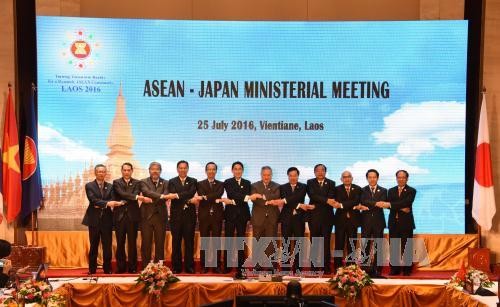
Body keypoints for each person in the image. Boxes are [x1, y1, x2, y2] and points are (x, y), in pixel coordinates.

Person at [113, 162, 152, 273]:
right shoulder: (116, 182)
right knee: (120, 243)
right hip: (119, 217)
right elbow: (121, 194)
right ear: (121, 171)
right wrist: (137, 197)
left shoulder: (137, 182)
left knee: (132, 243)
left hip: (132, 217)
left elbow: (126, 195)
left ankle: (132, 267)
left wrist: (132, 196)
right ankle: (120, 267)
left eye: (128, 170)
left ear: (132, 171)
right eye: (124, 170)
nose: (126, 172)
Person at [377, 170, 416, 276]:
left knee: (407, 247)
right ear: (396, 178)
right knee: (393, 246)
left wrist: (391, 205)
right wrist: (399, 207)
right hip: (393, 222)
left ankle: (407, 270)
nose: (401, 179)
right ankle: (394, 269)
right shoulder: (391, 190)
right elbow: (389, 205)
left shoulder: (412, 190)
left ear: (407, 178)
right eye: (399, 177)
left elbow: (406, 203)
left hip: (406, 223)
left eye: (403, 177)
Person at [82, 164, 119, 274]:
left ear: (105, 173)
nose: (101, 173)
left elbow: (112, 199)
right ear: (95, 173)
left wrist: (102, 204)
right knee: (94, 246)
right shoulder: (89, 185)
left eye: (103, 171)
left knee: (107, 246)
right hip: (93, 220)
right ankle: (92, 270)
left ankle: (107, 269)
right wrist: (107, 203)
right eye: (99, 171)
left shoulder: (111, 186)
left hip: (107, 220)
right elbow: (93, 200)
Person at [275, 167, 310, 273]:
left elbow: (297, 196)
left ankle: (297, 267)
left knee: (299, 244)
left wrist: (285, 200)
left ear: (298, 176)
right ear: (288, 176)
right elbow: (290, 200)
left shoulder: (304, 186)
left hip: (299, 219)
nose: (293, 177)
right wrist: (299, 205)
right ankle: (285, 267)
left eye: (295, 175)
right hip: (286, 219)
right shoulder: (282, 187)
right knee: (286, 243)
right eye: (291, 175)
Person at [220, 161, 251, 279]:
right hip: (230, 215)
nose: (238, 171)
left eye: (240, 169)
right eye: (235, 169)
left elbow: (244, 196)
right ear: (232, 170)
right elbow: (232, 193)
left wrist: (233, 200)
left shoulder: (247, 183)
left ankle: (241, 267)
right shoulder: (227, 182)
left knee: (240, 241)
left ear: (242, 170)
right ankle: (227, 266)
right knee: (228, 240)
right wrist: (242, 198)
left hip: (242, 216)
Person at [166, 160, 199, 274]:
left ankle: (189, 266)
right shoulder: (172, 181)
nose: (183, 170)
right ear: (177, 169)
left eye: (185, 168)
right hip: (176, 217)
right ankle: (177, 267)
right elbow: (184, 193)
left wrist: (177, 195)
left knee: (189, 242)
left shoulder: (193, 181)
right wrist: (188, 199)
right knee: (176, 242)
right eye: (180, 168)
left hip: (189, 217)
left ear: (188, 169)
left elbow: (191, 192)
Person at [306, 164, 336, 274]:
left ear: (325, 172)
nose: (320, 172)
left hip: (327, 218)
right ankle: (313, 268)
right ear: (314, 172)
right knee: (314, 242)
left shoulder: (332, 183)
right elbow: (312, 196)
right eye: (318, 170)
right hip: (313, 217)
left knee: (326, 243)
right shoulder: (310, 182)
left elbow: (331, 196)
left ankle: (326, 268)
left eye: (322, 170)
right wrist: (326, 200)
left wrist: (325, 200)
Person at [250, 166, 281, 272]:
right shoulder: (254, 185)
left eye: (268, 175)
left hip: (272, 218)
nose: (266, 177)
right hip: (258, 218)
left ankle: (271, 266)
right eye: (264, 175)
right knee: (257, 242)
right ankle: (257, 266)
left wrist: (262, 196)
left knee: (271, 242)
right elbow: (255, 201)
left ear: (271, 175)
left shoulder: (277, 186)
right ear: (261, 174)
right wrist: (269, 198)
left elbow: (276, 197)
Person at [139, 162, 169, 269]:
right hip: (146, 216)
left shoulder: (166, 182)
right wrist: (161, 196)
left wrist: (162, 196)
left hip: (160, 216)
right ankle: (146, 267)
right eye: (152, 169)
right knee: (146, 243)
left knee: (160, 243)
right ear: (149, 170)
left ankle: (159, 267)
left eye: (157, 169)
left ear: (160, 171)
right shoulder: (143, 181)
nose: (155, 171)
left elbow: (166, 196)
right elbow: (146, 192)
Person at [197, 162, 225, 273]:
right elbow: (206, 194)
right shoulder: (199, 184)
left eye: (213, 169)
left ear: (216, 171)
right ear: (206, 171)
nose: (211, 171)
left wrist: (205, 196)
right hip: (204, 216)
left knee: (216, 242)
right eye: (209, 169)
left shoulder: (221, 184)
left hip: (217, 216)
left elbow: (218, 194)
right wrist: (208, 196)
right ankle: (204, 266)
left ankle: (216, 266)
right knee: (204, 242)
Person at [359, 169, 388, 277]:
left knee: (378, 246)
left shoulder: (384, 190)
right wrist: (376, 203)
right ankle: (365, 269)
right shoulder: (362, 190)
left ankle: (377, 270)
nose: (372, 179)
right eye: (370, 177)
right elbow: (363, 201)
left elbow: (383, 203)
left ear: (377, 178)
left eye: (374, 177)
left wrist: (370, 204)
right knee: (365, 246)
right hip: (365, 221)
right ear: (367, 178)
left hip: (378, 222)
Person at [333, 171, 362, 269]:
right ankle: (337, 266)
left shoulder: (358, 189)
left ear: (352, 178)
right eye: (344, 177)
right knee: (338, 245)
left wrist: (341, 205)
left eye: (349, 176)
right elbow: (338, 200)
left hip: (353, 221)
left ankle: (351, 267)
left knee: (352, 244)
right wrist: (351, 205)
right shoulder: (336, 189)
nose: (347, 178)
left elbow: (356, 201)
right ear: (341, 179)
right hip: (340, 220)